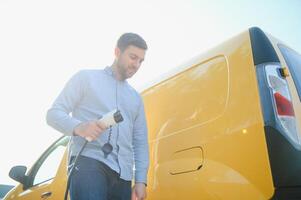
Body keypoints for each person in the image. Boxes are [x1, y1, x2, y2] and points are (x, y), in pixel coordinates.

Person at [46, 33, 149, 200]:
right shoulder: (85, 78)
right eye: (133, 57)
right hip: (88, 163)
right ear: (117, 52)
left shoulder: (136, 99)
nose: (136, 64)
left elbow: (140, 142)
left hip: (123, 175)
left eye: (141, 61)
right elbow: (53, 114)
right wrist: (79, 127)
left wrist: (141, 181)